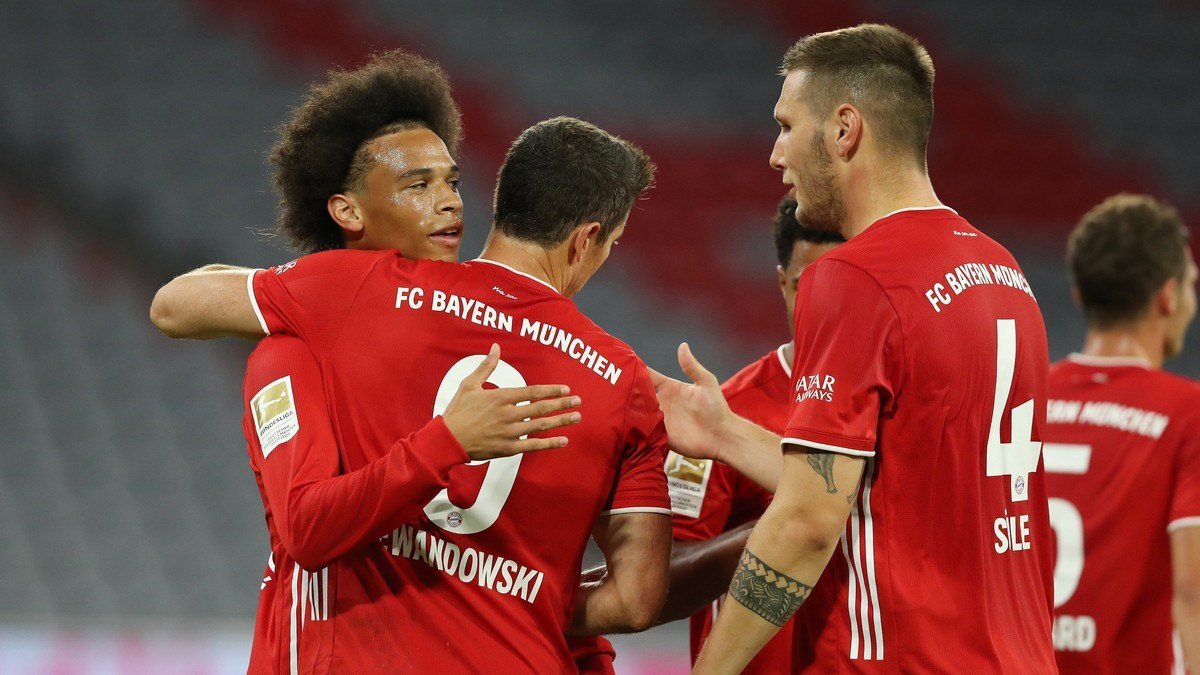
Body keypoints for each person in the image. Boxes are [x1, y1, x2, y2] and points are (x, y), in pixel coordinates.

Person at [151, 52, 632, 673]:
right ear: (348, 211)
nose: (450, 203)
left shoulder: (474, 338)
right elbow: (307, 526)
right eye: (418, 185)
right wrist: (445, 440)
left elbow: (532, 557)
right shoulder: (299, 344)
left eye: (452, 182)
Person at [649, 24, 1056, 673]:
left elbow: (807, 525)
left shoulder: (856, 275)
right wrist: (726, 433)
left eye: (787, 126)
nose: (775, 155)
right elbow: (893, 488)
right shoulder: (1003, 271)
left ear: (845, 129)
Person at [1043, 194, 1200, 673]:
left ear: (1079, 295)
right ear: (1168, 297)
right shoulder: (1187, 413)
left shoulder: (1023, 400)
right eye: (1192, 284)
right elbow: (1193, 592)